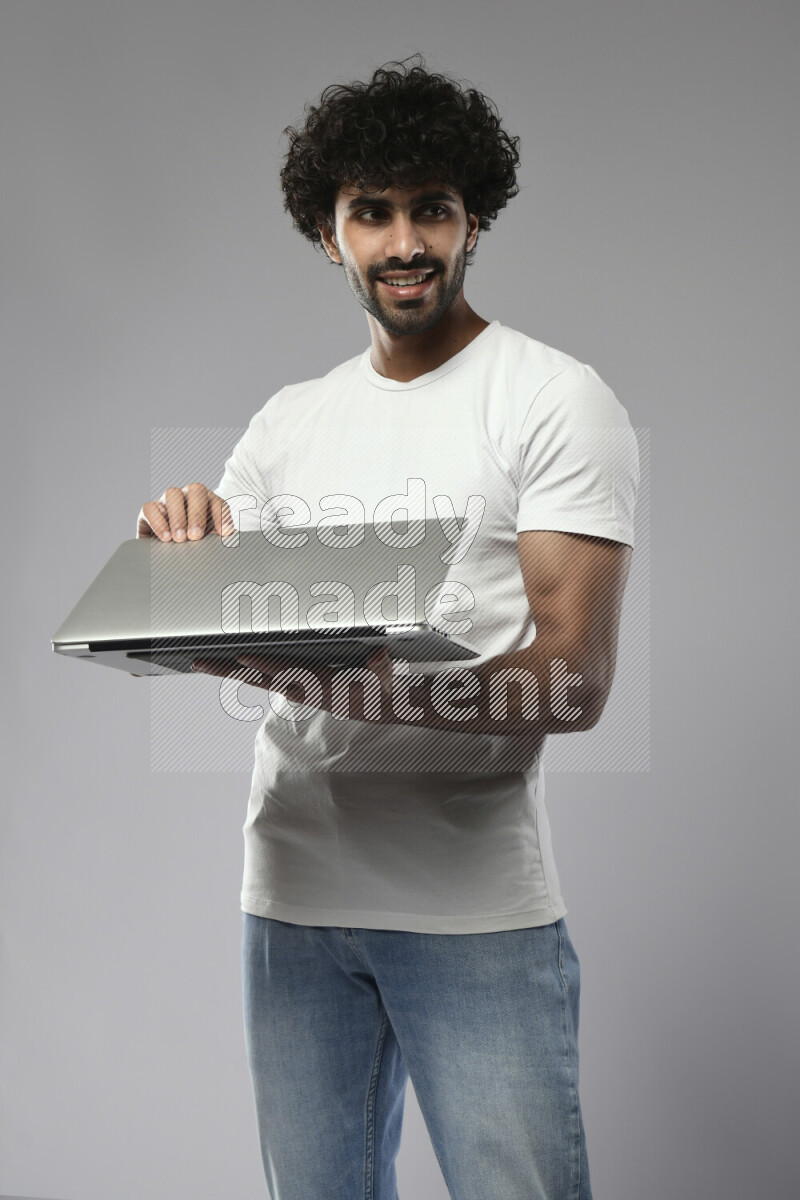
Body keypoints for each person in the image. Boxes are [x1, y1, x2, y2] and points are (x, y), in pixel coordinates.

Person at [137, 56, 639, 1200]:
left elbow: (572, 679)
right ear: (330, 234)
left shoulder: (552, 399)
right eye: (373, 211)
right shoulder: (287, 421)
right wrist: (173, 548)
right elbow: (221, 618)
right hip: (294, 897)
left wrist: (347, 684)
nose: (405, 240)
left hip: (471, 912)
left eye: (432, 209)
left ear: (473, 221)